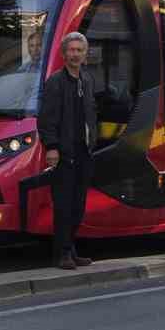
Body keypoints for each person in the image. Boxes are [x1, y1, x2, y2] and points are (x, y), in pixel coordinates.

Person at [38, 31, 100, 270]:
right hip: (64, 152)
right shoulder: (55, 81)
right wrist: (51, 147)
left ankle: (71, 249)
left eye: (79, 50)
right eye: (71, 50)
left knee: (78, 205)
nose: (75, 54)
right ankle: (62, 253)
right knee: (63, 206)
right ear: (64, 54)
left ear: (85, 54)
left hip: (83, 152)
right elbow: (47, 118)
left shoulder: (87, 79)